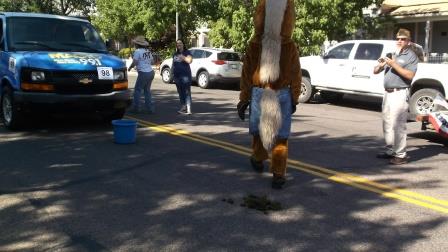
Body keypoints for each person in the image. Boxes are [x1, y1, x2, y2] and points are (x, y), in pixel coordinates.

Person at [237, 0, 301, 189]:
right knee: (280, 137)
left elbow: (247, 73)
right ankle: (278, 173)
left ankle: (258, 158)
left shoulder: (255, 45)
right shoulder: (289, 46)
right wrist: (295, 97)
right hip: (281, 94)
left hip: (259, 93)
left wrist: (243, 98)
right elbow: (296, 73)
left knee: (259, 133)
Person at [373, 28, 419, 165]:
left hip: (400, 92)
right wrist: (380, 65)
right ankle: (390, 150)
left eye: (403, 39)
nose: (399, 41)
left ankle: (401, 155)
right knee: (387, 123)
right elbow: (375, 71)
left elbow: (410, 75)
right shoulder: (391, 54)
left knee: (398, 124)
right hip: (387, 92)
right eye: (398, 38)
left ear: (408, 41)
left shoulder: (411, 56)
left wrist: (394, 64)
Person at [128, 35, 155, 114]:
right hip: (150, 72)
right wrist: (145, 62)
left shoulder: (137, 51)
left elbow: (135, 62)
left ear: (137, 44)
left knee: (137, 90)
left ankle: (136, 108)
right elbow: (152, 62)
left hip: (143, 73)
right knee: (147, 91)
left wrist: (130, 67)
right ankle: (149, 109)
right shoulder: (147, 51)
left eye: (135, 44)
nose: (134, 45)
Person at [172, 39, 193, 115]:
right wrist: (172, 75)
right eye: (177, 44)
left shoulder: (187, 52)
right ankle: (183, 107)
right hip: (177, 76)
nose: (179, 45)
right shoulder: (175, 54)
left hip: (185, 76)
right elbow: (173, 64)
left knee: (187, 92)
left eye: (180, 43)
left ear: (183, 44)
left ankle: (189, 109)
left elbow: (190, 61)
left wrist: (183, 57)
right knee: (180, 92)